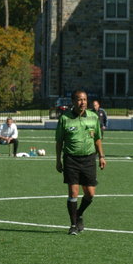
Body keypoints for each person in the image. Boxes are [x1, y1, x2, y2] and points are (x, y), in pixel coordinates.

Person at [55, 90, 106, 235]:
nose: (82, 102)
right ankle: (73, 225)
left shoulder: (93, 117)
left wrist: (101, 156)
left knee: (90, 194)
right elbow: (59, 141)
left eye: (84, 99)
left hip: (89, 159)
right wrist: (58, 160)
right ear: (73, 101)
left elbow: (97, 138)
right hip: (71, 159)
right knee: (73, 192)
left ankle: (79, 213)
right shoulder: (65, 118)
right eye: (79, 99)